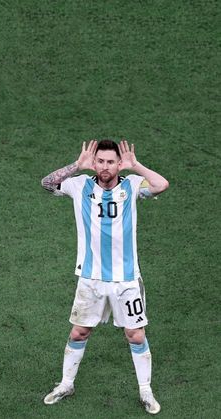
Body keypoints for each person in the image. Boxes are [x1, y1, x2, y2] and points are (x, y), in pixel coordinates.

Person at [41, 139, 169, 415]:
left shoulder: (132, 185)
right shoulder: (80, 185)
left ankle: (145, 391)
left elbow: (161, 185)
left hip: (126, 281)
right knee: (79, 331)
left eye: (111, 161)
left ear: (119, 163)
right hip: (91, 279)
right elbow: (47, 184)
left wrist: (137, 166)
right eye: (100, 161)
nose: (105, 166)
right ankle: (66, 384)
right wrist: (77, 165)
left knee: (135, 335)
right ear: (95, 162)